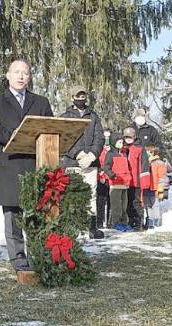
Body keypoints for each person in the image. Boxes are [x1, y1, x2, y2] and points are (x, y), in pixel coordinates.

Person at [0, 58, 53, 271]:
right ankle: (18, 258)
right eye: (16, 72)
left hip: (34, 164)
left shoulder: (41, 102)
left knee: (34, 213)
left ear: (30, 77)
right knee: (13, 215)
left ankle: (37, 254)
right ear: (8, 75)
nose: (21, 76)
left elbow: (50, 127)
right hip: (9, 164)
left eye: (25, 72)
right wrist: (18, 136)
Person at [60, 86, 104, 239]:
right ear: (72, 97)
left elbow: (100, 137)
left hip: (90, 164)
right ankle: (73, 227)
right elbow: (63, 138)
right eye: (78, 96)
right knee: (72, 195)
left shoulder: (94, 116)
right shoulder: (65, 116)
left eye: (83, 95)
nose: (81, 98)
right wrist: (78, 154)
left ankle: (91, 227)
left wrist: (92, 155)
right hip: (72, 163)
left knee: (91, 195)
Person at [122, 127, 151, 231]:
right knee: (127, 202)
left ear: (134, 137)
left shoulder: (139, 148)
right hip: (125, 180)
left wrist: (145, 180)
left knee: (137, 202)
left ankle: (139, 222)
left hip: (136, 181)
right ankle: (130, 221)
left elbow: (144, 164)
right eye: (126, 137)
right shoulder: (122, 148)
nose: (128, 139)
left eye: (130, 137)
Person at [103, 135, 131, 230]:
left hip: (124, 183)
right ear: (113, 143)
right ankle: (116, 222)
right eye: (119, 142)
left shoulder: (123, 154)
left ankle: (124, 222)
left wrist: (128, 178)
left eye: (122, 142)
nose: (121, 144)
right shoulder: (110, 154)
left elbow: (127, 168)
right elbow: (106, 167)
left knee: (124, 205)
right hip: (115, 184)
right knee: (116, 205)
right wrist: (112, 175)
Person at [96, 129, 114, 228]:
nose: (106, 139)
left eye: (108, 137)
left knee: (111, 200)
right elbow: (96, 162)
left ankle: (110, 222)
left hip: (111, 178)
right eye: (105, 137)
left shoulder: (114, 150)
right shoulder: (98, 150)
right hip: (101, 178)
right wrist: (100, 173)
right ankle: (99, 221)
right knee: (100, 201)